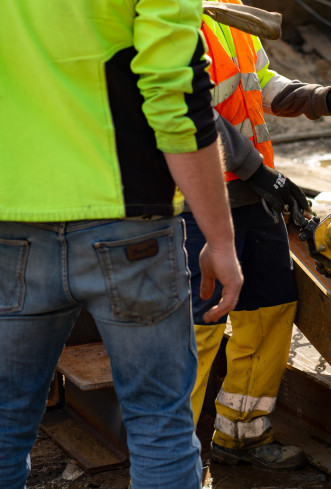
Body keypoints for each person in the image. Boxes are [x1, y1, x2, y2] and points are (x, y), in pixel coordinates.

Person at [0, 2, 243, 488]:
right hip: (130, 224)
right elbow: (175, 96)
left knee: (3, 425)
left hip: (12, 221)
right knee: (161, 427)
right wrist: (219, 237)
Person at [186, 0, 331, 470]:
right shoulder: (172, 17)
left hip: (254, 198)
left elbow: (261, 86)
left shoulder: (232, 17)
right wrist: (262, 175)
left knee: (270, 311)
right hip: (198, 201)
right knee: (198, 327)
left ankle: (242, 435)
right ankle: (173, 455)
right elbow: (189, 114)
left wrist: (322, 99)